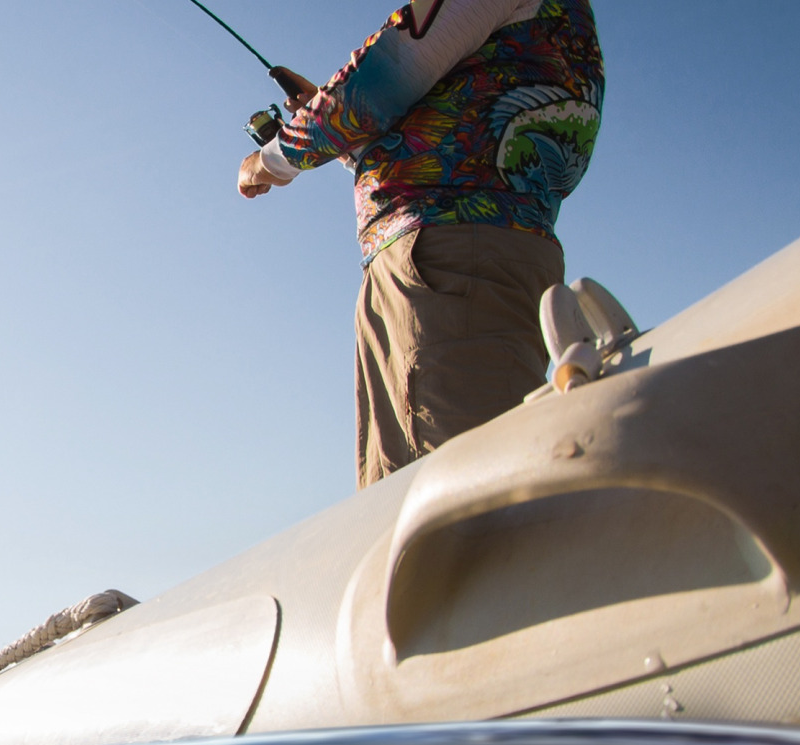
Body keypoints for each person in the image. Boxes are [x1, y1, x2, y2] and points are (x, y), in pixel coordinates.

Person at [236, 1, 604, 487]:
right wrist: (348, 139)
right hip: (486, 253)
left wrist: (271, 160)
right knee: (414, 498)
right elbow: (458, 131)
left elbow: (378, 83)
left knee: (457, 504)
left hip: (441, 263)